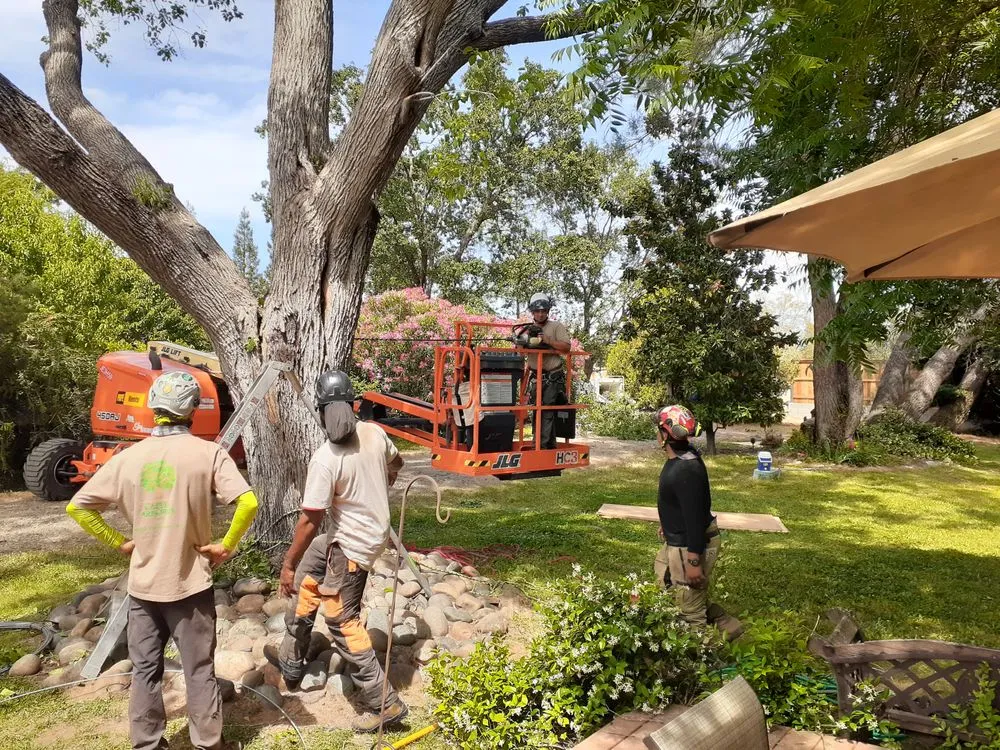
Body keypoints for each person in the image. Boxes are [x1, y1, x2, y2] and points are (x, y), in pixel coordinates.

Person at [67, 370, 258, 750]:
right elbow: (248, 501)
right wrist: (226, 545)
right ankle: (208, 743)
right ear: (191, 409)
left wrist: (120, 542)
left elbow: (78, 507)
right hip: (191, 586)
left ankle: (148, 743)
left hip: (143, 588)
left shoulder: (127, 459)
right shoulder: (209, 453)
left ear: (154, 408)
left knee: (144, 671)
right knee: (199, 669)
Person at [266, 369, 407, 733]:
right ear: (352, 404)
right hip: (351, 537)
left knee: (341, 621)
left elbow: (310, 520)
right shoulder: (374, 433)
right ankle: (292, 661)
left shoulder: (326, 458)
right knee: (307, 580)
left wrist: (285, 563)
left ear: (321, 408)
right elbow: (397, 462)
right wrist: (383, 479)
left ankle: (384, 703)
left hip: (353, 546)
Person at [652, 404, 739, 636]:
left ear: (665, 434)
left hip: (690, 544)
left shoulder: (686, 469)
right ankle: (723, 621)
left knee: (689, 608)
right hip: (678, 540)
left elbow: (694, 517)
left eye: (657, 429)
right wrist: (667, 522)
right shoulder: (682, 457)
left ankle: (701, 658)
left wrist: (693, 561)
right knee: (665, 582)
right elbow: (684, 503)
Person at [523, 293, 572, 449]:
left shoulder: (556, 326)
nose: (540, 313)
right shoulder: (528, 329)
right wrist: (522, 343)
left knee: (546, 410)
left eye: (543, 310)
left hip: (552, 376)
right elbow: (520, 349)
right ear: (532, 312)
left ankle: (540, 446)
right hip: (536, 376)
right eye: (537, 311)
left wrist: (548, 341)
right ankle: (547, 445)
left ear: (548, 311)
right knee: (538, 411)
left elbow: (566, 347)